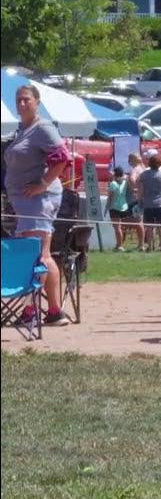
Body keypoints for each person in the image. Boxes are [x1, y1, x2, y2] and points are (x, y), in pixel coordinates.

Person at [3, 84, 73, 326]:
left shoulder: (43, 127)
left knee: (38, 255)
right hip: (25, 203)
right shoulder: (24, 129)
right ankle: (52, 311)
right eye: (18, 100)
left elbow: (62, 157)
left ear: (37, 102)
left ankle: (32, 310)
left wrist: (43, 184)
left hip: (38, 201)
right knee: (39, 255)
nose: (21, 104)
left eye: (26, 99)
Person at [138, 152, 161, 252]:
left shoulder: (144, 175)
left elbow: (141, 190)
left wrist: (139, 201)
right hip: (160, 204)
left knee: (149, 227)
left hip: (148, 204)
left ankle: (149, 246)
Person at [124, 151, 145, 250]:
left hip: (133, 199)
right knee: (139, 221)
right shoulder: (143, 168)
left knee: (135, 221)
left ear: (132, 160)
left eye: (129, 159)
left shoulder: (135, 170)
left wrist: (134, 189)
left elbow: (132, 179)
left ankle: (141, 244)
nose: (128, 162)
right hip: (141, 198)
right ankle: (141, 244)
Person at [107, 166, 130, 251]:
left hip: (114, 207)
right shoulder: (125, 182)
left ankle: (120, 245)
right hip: (124, 206)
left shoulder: (113, 184)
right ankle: (119, 244)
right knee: (121, 227)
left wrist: (107, 205)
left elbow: (110, 197)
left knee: (117, 228)